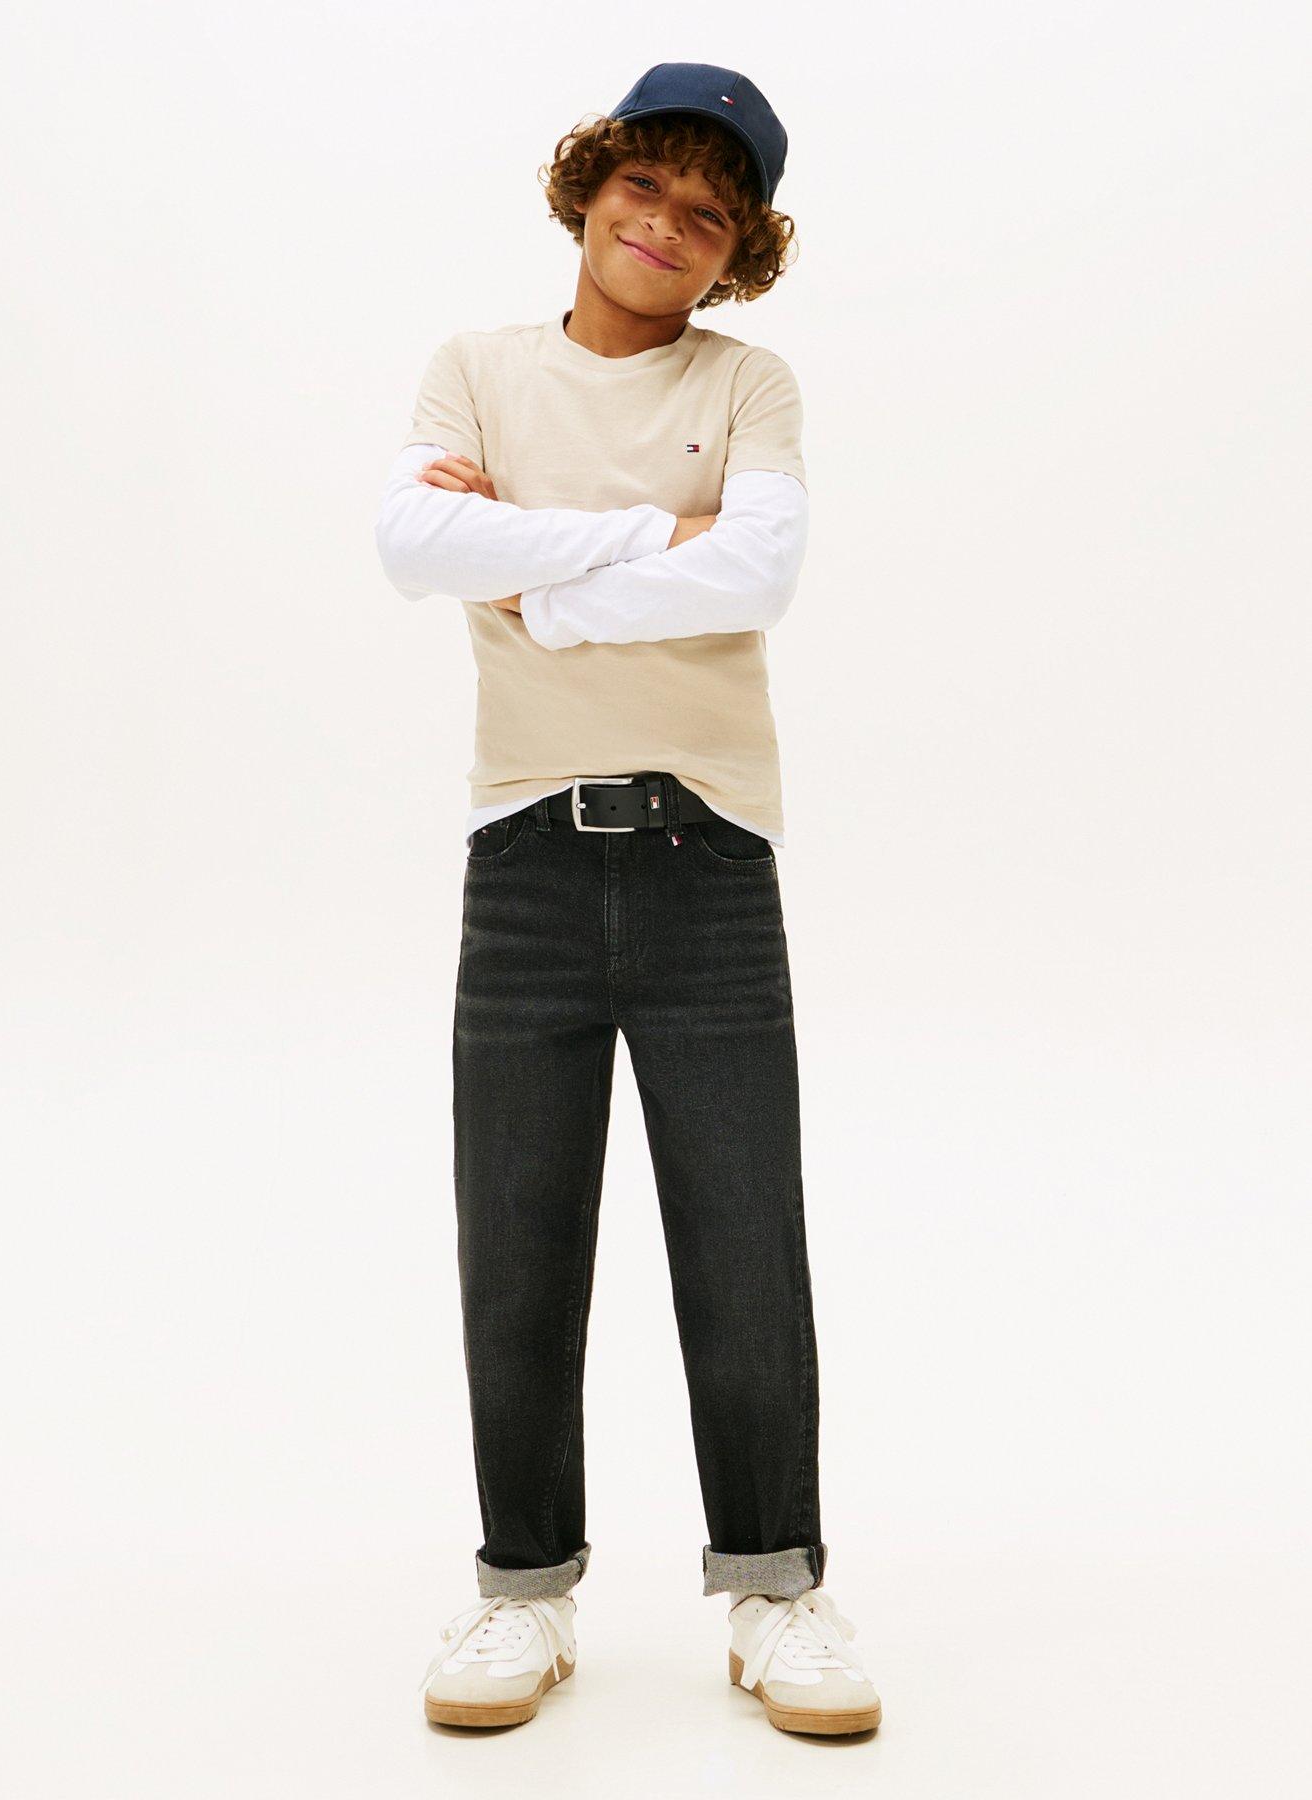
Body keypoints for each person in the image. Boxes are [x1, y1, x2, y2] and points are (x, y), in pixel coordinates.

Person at [375, 61, 882, 1738]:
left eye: (709, 214)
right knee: (516, 1241)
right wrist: (652, 539)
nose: (666, 224)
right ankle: (522, 1593)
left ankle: (776, 1592)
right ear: (588, 189)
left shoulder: (748, 384)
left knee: (742, 1237)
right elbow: (411, 548)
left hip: (706, 852)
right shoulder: (475, 367)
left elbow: (761, 570)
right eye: (644, 185)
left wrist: (544, 575)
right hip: (523, 851)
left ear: (738, 253)